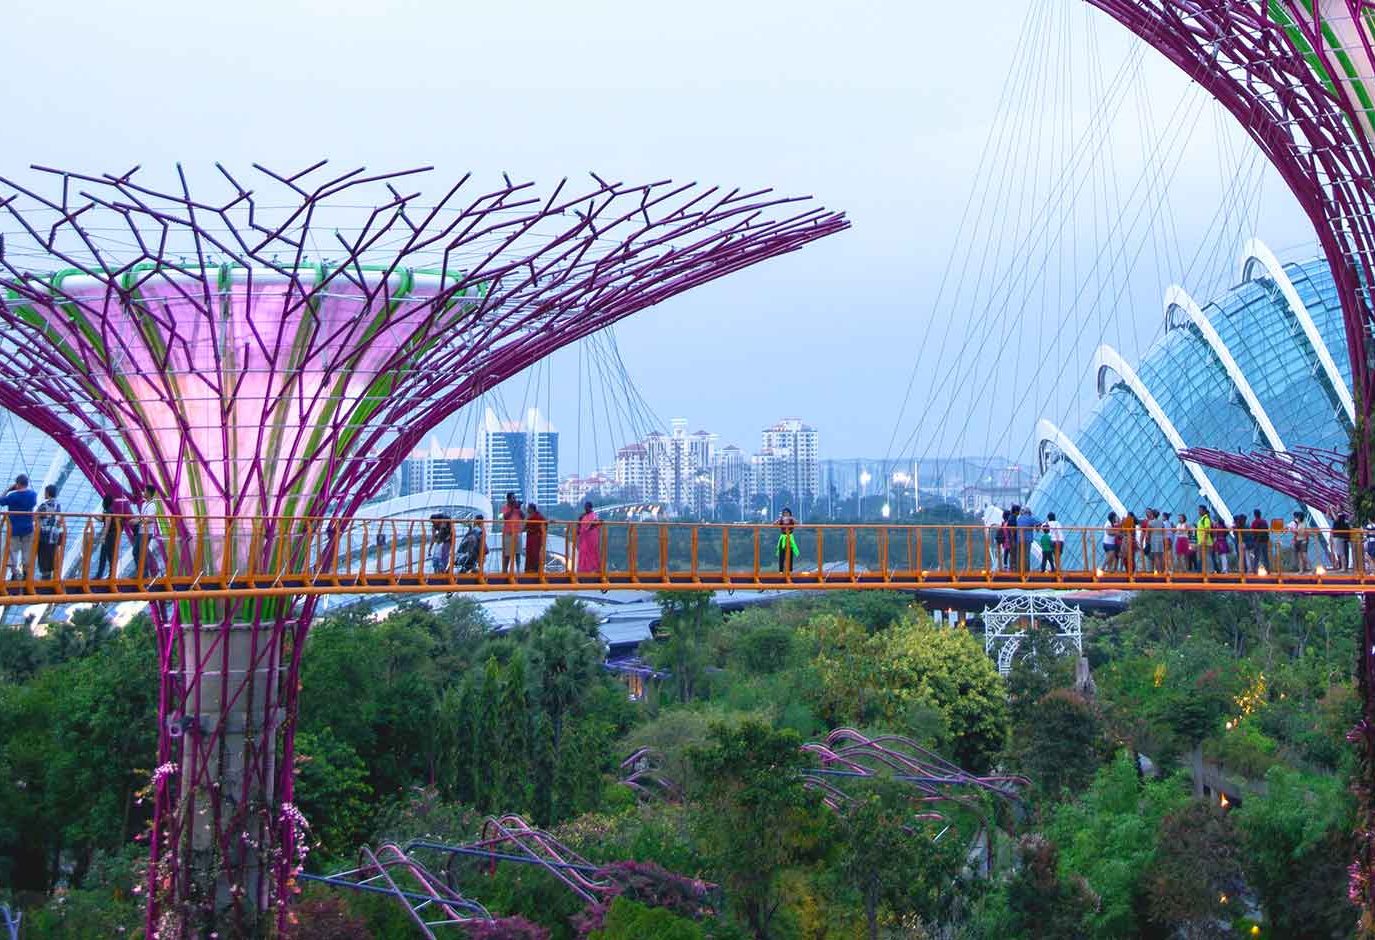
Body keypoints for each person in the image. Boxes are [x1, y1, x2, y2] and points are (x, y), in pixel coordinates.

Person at [0, 474, 38, 580]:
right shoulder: (33, 495)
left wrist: (8, 490)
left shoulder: (12, 496)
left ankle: (14, 574)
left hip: (14, 529)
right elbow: (33, 503)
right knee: (27, 551)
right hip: (28, 528)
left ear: (17, 484)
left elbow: (1, 501)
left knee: (13, 551)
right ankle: (26, 574)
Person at [35, 484, 64, 581]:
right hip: (54, 535)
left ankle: (45, 578)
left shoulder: (44, 505)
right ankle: (49, 578)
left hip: (44, 535)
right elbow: (59, 519)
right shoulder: (58, 505)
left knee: (43, 556)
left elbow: (34, 516)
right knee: (51, 555)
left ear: (47, 493)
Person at [94, 494, 120, 580]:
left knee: (108, 555)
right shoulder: (108, 511)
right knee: (105, 555)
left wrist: (103, 536)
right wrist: (93, 515)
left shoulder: (108, 512)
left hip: (110, 536)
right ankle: (106, 575)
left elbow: (107, 524)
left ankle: (108, 575)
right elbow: (102, 519)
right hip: (111, 535)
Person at [575, 501, 603, 575]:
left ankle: (594, 569)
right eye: (585, 507)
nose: (586, 508)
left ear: (590, 507)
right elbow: (579, 526)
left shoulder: (594, 515)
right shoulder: (582, 516)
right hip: (584, 538)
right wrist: (578, 529)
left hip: (591, 538)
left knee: (592, 552)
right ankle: (582, 570)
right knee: (583, 552)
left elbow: (595, 524)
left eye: (587, 507)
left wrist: (589, 527)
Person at [500, 492, 525, 574]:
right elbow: (505, 517)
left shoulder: (517, 508)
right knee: (507, 554)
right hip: (508, 533)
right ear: (508, 499)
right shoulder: (505, 507)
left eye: (515, 498)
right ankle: (505, 571)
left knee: (517, 553)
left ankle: (518, 570)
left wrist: (519, 508)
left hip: (517, 532)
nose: (514, 500)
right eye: (513, 498)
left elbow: (523, 516)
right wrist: (512, 508)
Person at [524, 503, 546, 573]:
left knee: (534, 553)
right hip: (532, 537)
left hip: (534, 538)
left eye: (528, 508)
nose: (527, 509)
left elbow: (526, 527)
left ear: (531, 509)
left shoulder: (536, 517)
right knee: (532, 553)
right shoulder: (536, 516)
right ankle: (532, 569)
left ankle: (533, 569)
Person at [776, 507, 799, 574]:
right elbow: (774, 524)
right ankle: (781, 570)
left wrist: (792, 518)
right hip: (783, 537)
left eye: (787, 513)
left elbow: (798, 523)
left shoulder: (791, 520)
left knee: (790, 554)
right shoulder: (781, 520)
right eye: (784, 513)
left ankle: (790, 570)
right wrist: (779, 519)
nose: (786, 514)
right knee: (781, 554)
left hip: (790, 537)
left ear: (789, 513)